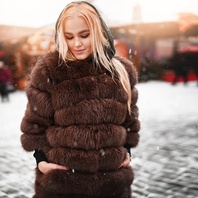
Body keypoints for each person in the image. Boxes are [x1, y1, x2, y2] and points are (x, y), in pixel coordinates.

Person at [20, 1, 140, 197]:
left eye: (84, 35)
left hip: (112, 186)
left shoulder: (120, 73)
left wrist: (126, 151)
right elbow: (35, 126)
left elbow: (130, 122)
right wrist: (42, 162)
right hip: (63, 186)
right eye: (69, 37)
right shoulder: (50, 72)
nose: (77, 43)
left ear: (98, 32)